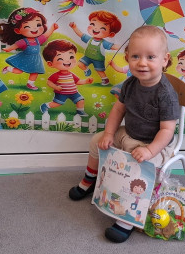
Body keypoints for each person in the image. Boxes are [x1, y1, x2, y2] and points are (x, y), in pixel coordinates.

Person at [68, 25, 179, 243]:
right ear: (127, 57)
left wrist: (149, 151)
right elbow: (118, 109)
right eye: (136, 56)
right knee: (97, 141)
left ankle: (127, 219)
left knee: (139, 169)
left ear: (164, 60)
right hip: (129, 133)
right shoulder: (130, 84)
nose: (142, 63)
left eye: (150, 57)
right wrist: (109, 133)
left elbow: (167, 130)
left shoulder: (166, 94)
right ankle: (90, 179)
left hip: (155, 144)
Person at [0, 7, 58, 90]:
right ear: (18, 31)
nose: (35, 28)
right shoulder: (24, 41)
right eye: (28, 26)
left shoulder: (38, 40)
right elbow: (16, 45)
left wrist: (53, 28)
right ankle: (8, 68)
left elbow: (46, 35)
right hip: (25, 59)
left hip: (35, 60)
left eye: (38, 25)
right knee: (19, 71)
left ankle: (30, 84)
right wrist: (8, 49)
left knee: (35, 72)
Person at [40, 39, 93, 116]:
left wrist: (86, 81)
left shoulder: (71, 74)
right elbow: (49, 82)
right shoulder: (56, 75)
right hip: (61, 93)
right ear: (50, 64)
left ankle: (80, 111)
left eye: (71, 57)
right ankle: (46, 105)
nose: (68, 61)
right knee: (57, 103)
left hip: (74, 92)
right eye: (60, 59)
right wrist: (55, 87)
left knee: (80, 100)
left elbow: (77, 81)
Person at [69, 10, 121, 86]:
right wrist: (74, 27)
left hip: (98, 59)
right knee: (80, 64)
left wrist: (124, 46)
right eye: (92, 24)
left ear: (110, 34)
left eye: (103, 28)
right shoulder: (89, 39)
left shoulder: (104, 43)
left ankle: (105, 79)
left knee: (99, 71)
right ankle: (87, 70)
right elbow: (80, 34)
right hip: (87, 57)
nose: (96, 28)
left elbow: (113, 46)